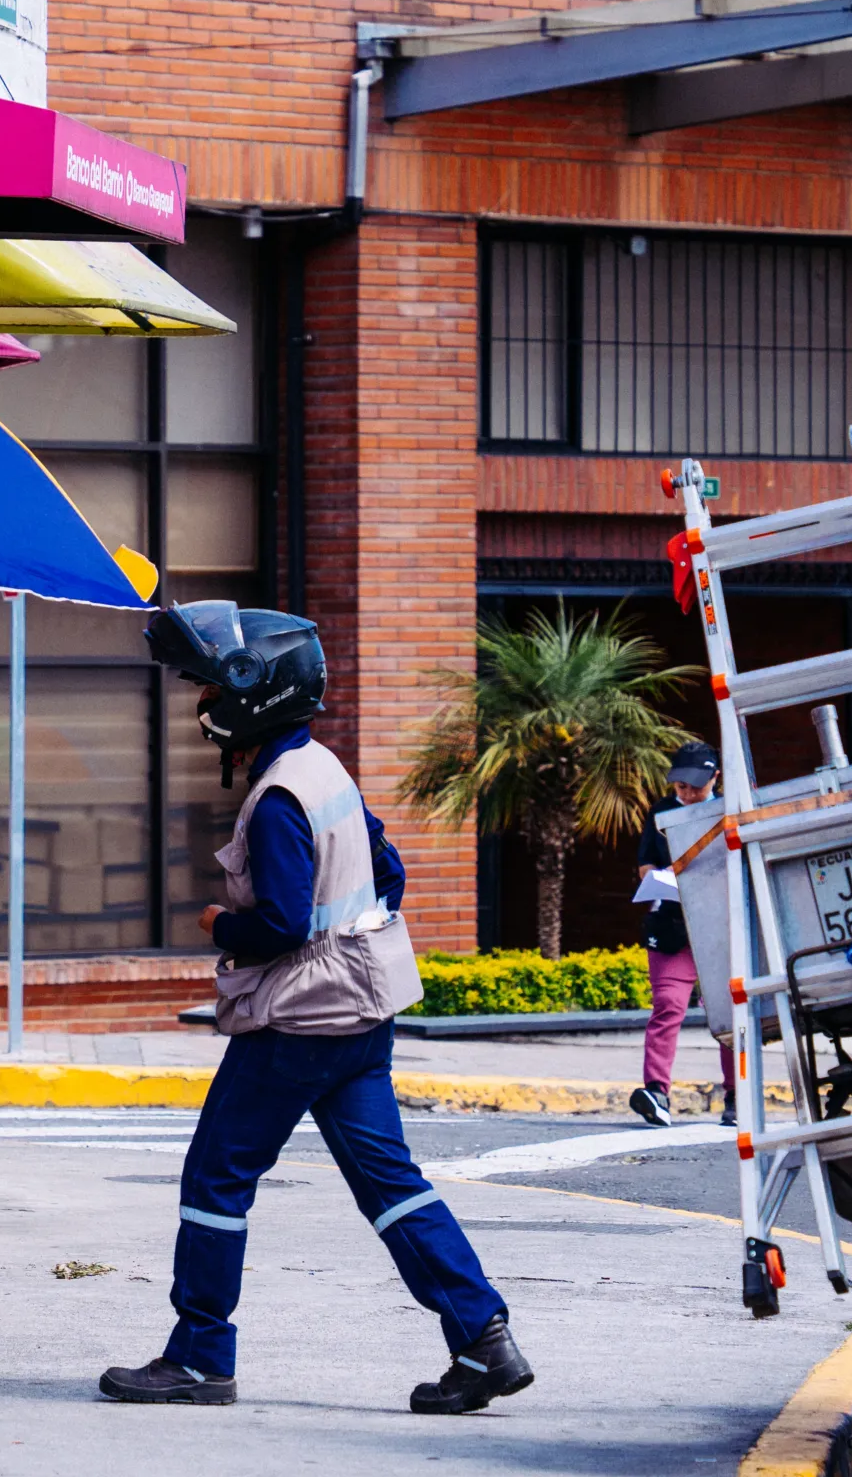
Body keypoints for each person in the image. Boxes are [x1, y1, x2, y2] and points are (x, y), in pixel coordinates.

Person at [99, 600, 533, 1415]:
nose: (197, 703)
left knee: (217, 1174)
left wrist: (218, 923)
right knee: (390, 1183)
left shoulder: (274, 801)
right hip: (363, 1012)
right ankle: (483, 1337)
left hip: (301, 1021)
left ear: (248, 693)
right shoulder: (322, 768)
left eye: (203, 687)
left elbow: (282, 924)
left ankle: (198, 1356)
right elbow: (388, 867)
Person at [629, 741, 738, 1129]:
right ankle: (656, 1093)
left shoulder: (731, 811)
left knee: (730, 1013)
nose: (687, 793)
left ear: (715, 778)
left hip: (723, 926)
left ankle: (737, 1096)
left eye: (694, 786)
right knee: (668, 1005)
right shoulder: (661, 811)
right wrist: (663, 880)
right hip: (672, 923)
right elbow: (646, 865)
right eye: (681, 786)